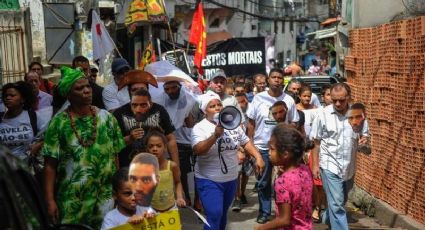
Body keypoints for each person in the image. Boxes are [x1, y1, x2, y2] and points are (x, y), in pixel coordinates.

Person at [42, 66, 126, 229]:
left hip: (105, 197)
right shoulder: (59, 123)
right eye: (79, 88)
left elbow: (115, 157)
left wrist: (119, 191)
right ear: (68, 94)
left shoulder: (107, 118)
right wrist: (50, 200)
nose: (86, 90)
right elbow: (50, 165)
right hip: (71, 199)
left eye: (87, 86)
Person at [192, 92, 265, 230]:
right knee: (215, 214)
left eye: (219, 104)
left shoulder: (233, 124)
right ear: (204, 111)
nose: (217, 108)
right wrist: (215, 136)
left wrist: (258, 157)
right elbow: (198, 150)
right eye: (212, 106)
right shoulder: (199, 127)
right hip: (209, 179)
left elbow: (246, 143)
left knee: (223, 215)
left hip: (230, 179)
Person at [310, 83, 369, 230]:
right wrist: (316, 165)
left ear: (348, 97)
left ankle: (327, 217)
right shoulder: (322, 115)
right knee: (336, 203)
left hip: (349, 166)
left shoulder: (358, 114)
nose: (337, 103)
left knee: (340, 200)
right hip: (329, 164)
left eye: (341, 100)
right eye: (334, 99)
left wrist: (364, 142)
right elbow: (316, 143)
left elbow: (365, 141)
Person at [247, 68, 299, 224]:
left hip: (283, 149)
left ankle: (282, 214)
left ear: (283, 81)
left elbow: (294, 123)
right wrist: (249, 145)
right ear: (268, 80)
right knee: (263, 181)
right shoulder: (258, 99)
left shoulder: (289, 100)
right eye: (274, 77)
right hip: (262, 147)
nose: (277, 80)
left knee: (283, 182)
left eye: (279, 77)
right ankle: (264, 211)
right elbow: (251, 122)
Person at [254, 124, 313, 230]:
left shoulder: (282, 182)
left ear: (285, 154)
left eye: (272, 149)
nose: (269, 153)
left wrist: (262, 228)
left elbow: (284, 219)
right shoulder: (305, 169)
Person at [113, 73, 179, 168]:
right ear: (129, 92)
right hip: (129, 169)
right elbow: (113, 145)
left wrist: (176, 167)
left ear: (148, 90)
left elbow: (170, 139)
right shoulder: (119, 113)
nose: (138, 92)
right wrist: (129, 139)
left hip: (156, 168)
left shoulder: (159, 110)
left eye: (142, 89)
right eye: (134, 90)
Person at [152, 80, 196, 206]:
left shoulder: (188, 99)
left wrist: (184, 119)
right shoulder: (160, 101)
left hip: (184, 141)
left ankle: (187, 198)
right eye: (167, 89)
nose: (171, 91)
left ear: (180, 87)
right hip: (166, 142)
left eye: (174, 88)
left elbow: (190, 122)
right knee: (170, 171)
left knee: (185, 171)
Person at [0, 81, 49, 161]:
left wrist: (38, 145)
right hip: (6, 169)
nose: (8, 98)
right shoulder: (1, 119)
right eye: (6, 96)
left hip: (28, 168)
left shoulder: (33, 117)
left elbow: (49, 135)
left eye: (12, 95)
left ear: (22, 99)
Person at [145, 130, 186, 211]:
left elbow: (178, 182)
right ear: (146, 149)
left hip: (171, 209)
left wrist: (180, 197)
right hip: (151, 211)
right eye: (151, 146)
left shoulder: (172, 166)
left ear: (165, 148)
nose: (155, 149)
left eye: (158, 146)